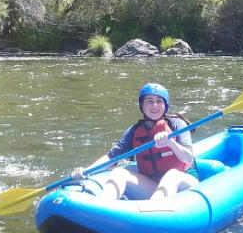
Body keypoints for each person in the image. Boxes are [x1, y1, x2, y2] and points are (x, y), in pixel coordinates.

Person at [71, 83, 199, 200]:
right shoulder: (135, 130)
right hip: (154, 186)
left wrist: (171, 142)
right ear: (142, 106)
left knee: (172, 175)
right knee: (118, 172)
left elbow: (188, 158)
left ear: (165, 105)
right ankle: (101, 210)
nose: (155, 106)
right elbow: (111, 157)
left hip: (184, 184)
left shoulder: (177, 124)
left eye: (159, 101)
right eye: (149, 101)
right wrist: (86, 171)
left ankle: (151, 215)